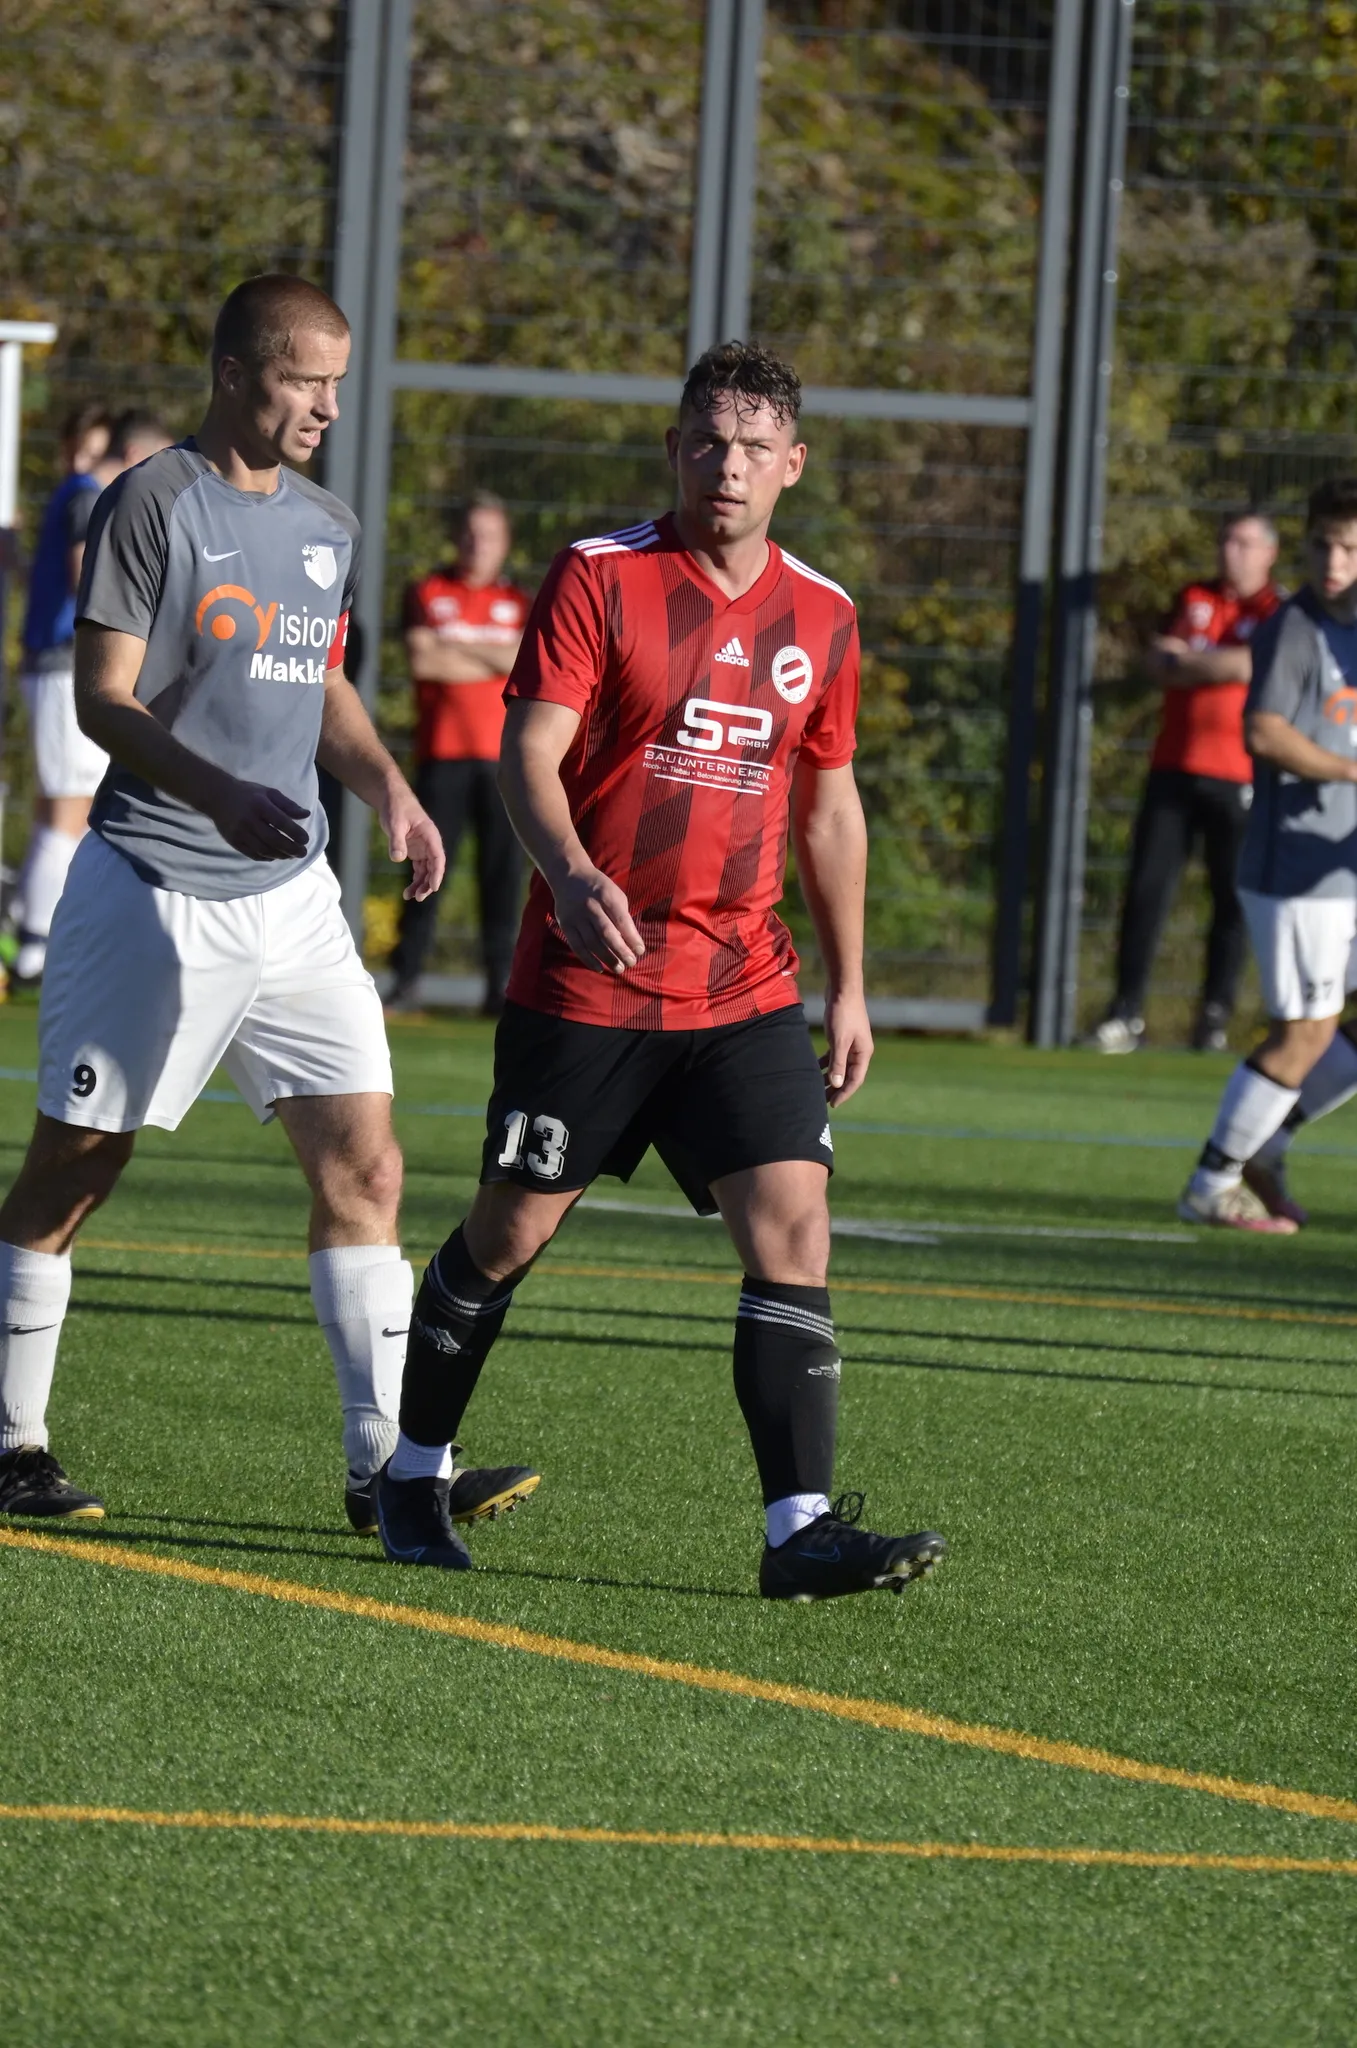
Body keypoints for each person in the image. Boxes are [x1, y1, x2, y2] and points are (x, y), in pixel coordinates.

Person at [374, 339, 948, 1602]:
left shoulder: (825, 614)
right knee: (509, 1230)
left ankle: (798, 1530)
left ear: (793, 466)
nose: (726, 465)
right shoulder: (599, 574)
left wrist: (850, 985)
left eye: (753, 448)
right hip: (590, 980)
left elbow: (830, 809)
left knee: (794, 1222)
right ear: (673, 449)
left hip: (743, 980)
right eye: (706, 441)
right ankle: (410, 1472)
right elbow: (530, 752)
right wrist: (574, 874)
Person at [0, 274, 537, 1536]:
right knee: (76, 1168)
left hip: (291, 898)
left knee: (367, 1162)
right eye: (305, 380)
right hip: (153, 884)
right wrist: (219, 790)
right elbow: (103, 698)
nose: (327, 406)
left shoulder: (326, 522)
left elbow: (322, 679)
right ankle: (11, 1439)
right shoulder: (152, 501)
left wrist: (392, 789)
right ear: (235, 373)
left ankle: (383, 1463)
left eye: (337, 383)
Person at [1178, 478, 1357, 1232]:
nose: (1333, 561)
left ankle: (1266, 1143)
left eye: (1348, 547)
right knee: (1305, 1032)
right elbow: (1263, 731)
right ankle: (1212, 1182)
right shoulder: (1292, 628)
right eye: (1322, 544)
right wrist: (1351, 771)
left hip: (1344, 866)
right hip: (1294, 873)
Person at [1087, 513, 1282, 1053]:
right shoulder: (1194, 595)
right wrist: (1211, 664)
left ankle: (1213, 1019)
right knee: (1147, 891)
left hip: (1240, 775)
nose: (1230, 550)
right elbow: (1158, 659)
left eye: (1244, 542)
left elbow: (1250, 665)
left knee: (1231, 900)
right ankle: (1125, 1013)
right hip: (1173, 767)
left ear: (1269, 553)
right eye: (1226, 539)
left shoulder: (1276, 608)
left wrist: (1190, 663)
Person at [12, 409, 173, 988]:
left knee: (57, 807)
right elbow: (87, 577)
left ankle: (31, 935)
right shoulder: (88, 496)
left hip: (51, 667)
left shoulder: (73, 492)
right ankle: (36, 948)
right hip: (63, 668)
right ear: (133, 457)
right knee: (69, 809)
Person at [386, 494, 529, 1014]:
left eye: (489, 535)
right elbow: (425, 661)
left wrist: (456, 648)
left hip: (503, 762)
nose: (477, 544)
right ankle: (406, 982)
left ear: (505, 543)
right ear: (456, 536)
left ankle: (501, 989)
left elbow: (525, 662)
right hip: (441, 756)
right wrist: (494, 658)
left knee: (502, 878)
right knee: (425, 869)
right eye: (470, 532)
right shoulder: (427, 590)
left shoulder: (520, 601)